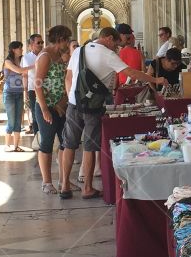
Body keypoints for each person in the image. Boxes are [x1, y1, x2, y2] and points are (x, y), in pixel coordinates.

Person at [59, 27, 166, 199]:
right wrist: (155, 79)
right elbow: (131, 72)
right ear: (109, 38)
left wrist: (74, 96)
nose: (116, 48)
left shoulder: (79, 50)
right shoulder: (107, 54)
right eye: (115, 44)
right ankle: (87, 187)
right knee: (89, 146)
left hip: (74, 103)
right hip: (92, 106)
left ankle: (64, 185)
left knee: (69, 144)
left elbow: (68, 77)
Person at [34, 25, 73, 194]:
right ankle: (47, 182)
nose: (68, 43)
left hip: (60, 107)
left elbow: (63, 79)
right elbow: (38, 84)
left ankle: (64, 181)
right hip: (46, 107)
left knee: (65, 143)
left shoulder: (60, 56)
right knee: (47, 143)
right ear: (60, 39)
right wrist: (45, 109)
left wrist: (62, 102)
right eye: (67, 39)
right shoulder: (45, 56)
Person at [1, 41, 26, 152]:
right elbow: (19, 70)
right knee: (11, 119)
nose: (21, 50)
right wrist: (35, 65)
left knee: (18, 121)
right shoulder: (8, 61)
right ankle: (7, 145)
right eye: (20, 48)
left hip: (19, 93)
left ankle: (16, 146)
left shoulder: (22, 60)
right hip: (9, 93)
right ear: (13, 50)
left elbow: (24, 74)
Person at [21, 33, 43, 130]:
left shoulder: (45, 55)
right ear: (31, 44)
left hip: (46, 88)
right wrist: (25, 91)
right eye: (38, 42)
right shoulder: (25, 57)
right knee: (34, 113)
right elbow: (24, 74)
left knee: (44, 111)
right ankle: (37, 136)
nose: (41, 44)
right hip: (32, 89)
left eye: (42, 42)